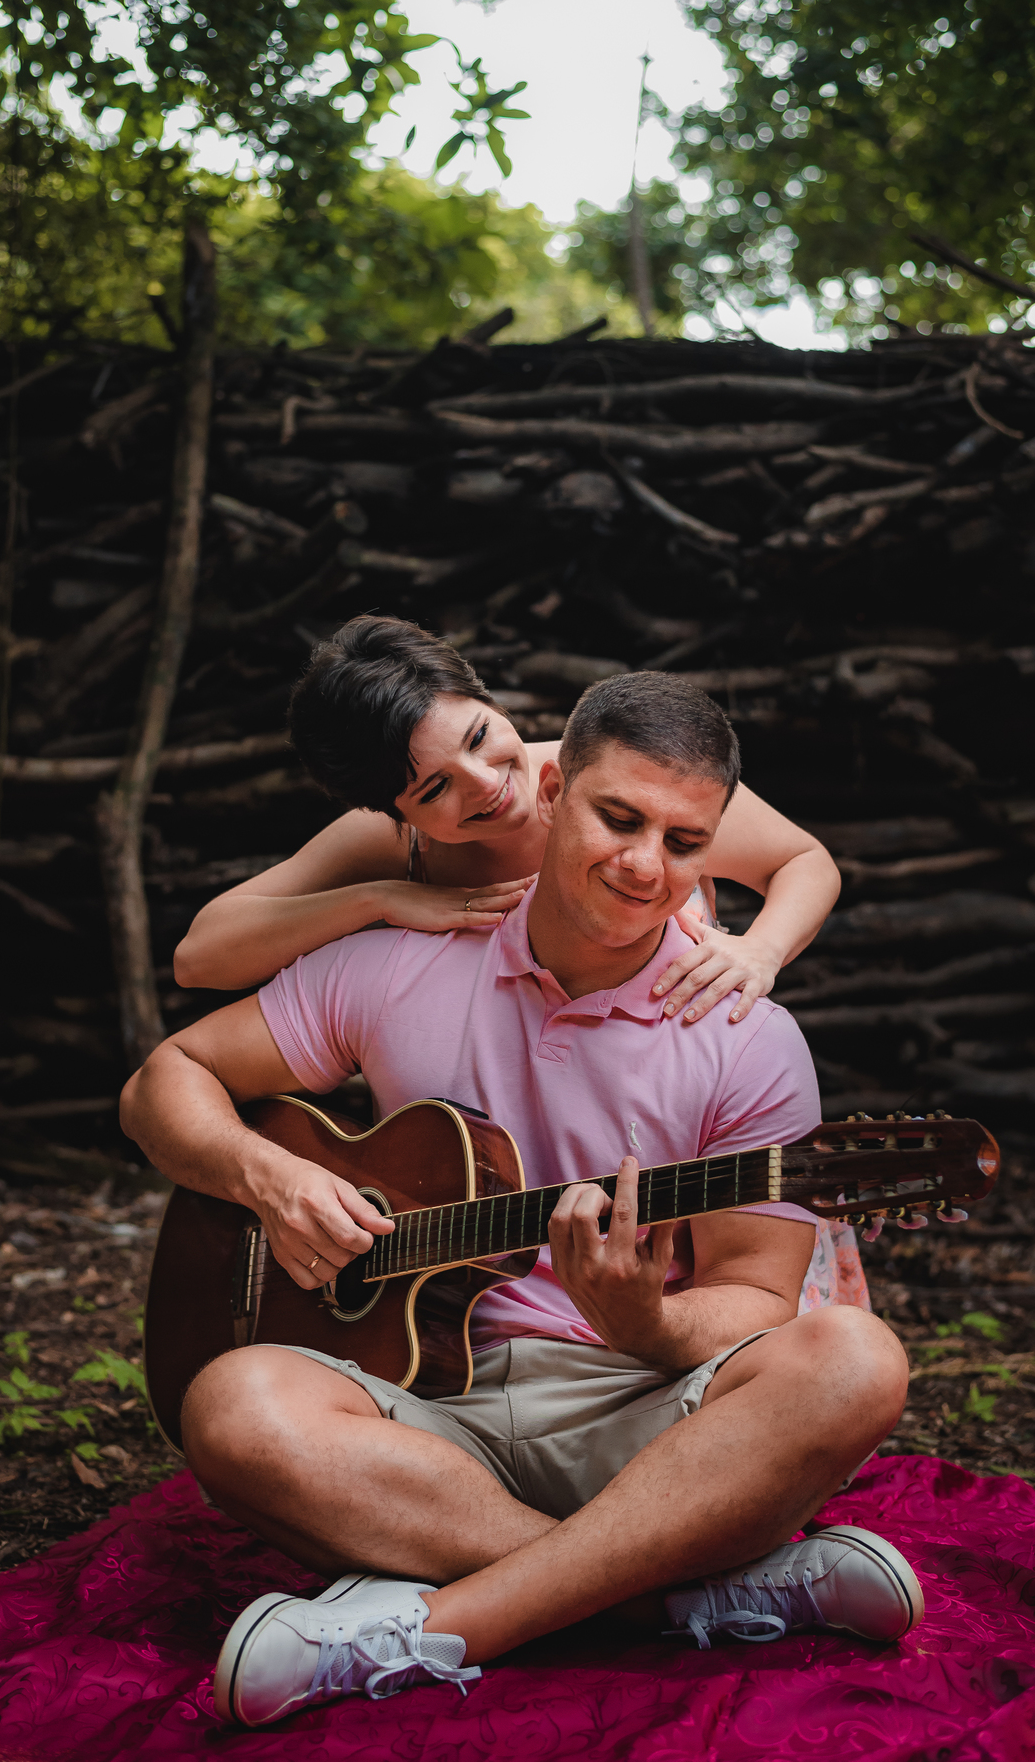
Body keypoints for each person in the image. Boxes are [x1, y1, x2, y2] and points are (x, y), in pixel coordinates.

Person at [122, 671, 916, 1730]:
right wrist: (270, 1176)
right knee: (231, 1406)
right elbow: (161, 1080)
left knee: (856, 1358)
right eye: (618, 818)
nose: (645, 867)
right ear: (558, 791)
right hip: (422, 1409)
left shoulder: (747, 1035)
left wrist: (647, 1318)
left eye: (684, 843)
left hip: (640, 1414)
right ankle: (679, 1588)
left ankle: (440, 1622)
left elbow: (759, 1298)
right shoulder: (396, 965)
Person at [174, 617, 866, 1316]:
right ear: (393, 812)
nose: (484, 785)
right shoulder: (392, 849)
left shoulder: (621, 776)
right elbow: (200, 955)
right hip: (510, 1156)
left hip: (664, 1094)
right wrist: (379, 898)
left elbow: (803, 860)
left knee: (749, 1298)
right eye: (434, 789)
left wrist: (760, 948)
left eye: (477, 737)